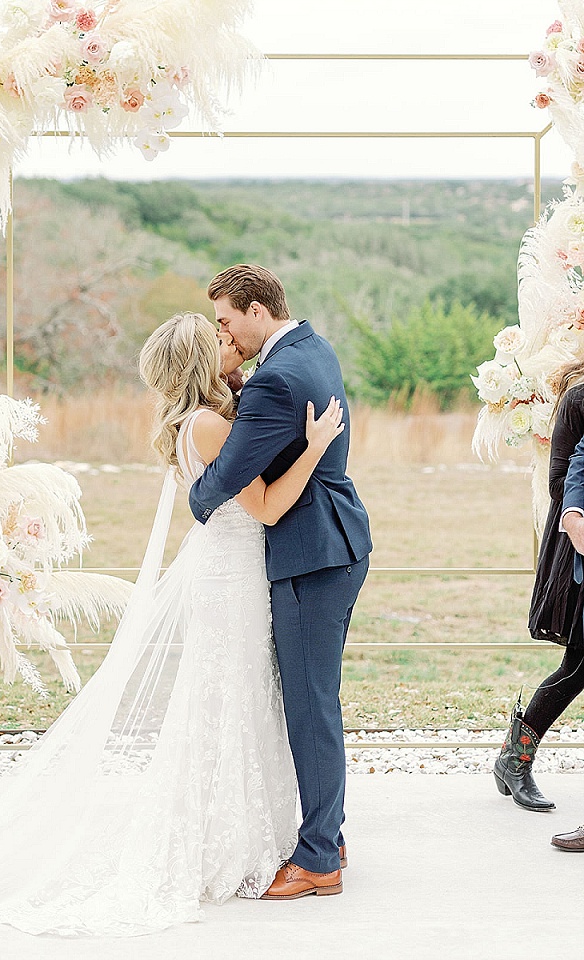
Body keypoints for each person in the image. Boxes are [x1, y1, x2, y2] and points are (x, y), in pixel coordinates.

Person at [0, 312, 345, 935]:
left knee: (241, 702)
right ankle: (231, 842)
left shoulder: (201, 421)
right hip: (233, 583)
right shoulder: (210, 427)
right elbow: (269, 504)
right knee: (233, 703)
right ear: (203, 360)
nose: (232, 345)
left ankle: (266, 833)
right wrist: (315, 447)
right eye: (220, 340)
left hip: (232, 575)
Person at [188, 264, 372, 900]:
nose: (225, 332)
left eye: (227, 320)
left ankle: (319, 856)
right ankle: (330, 832)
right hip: (335, 541)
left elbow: (227, 477)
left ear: (257, 312)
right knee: (314, 699)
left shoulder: (275, 378)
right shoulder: (311, 347)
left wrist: (192, 492)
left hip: (310, 554)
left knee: (310, 704)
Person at [494, 363, 584, 811]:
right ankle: (515, 758)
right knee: (580, 661)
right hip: (578, 547)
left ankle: (515, 757)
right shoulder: (578, 401)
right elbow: (558, 482)